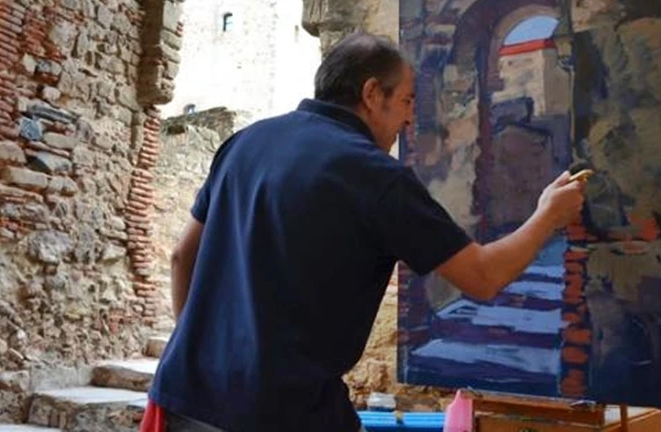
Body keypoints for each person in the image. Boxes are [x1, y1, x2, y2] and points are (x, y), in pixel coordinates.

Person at [147, 33, 585, 432]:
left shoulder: (244, 143)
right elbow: (483, 276)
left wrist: (198, 351)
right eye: (408, 101)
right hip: (281, 412)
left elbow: (181, 256)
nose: (411, 119)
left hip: (185, 394)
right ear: (372, 94)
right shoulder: (375, 177)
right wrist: (547, 215)